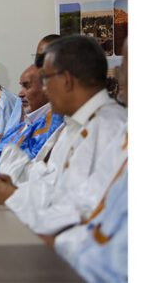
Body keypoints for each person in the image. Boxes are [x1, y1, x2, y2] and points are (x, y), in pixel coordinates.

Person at [0, 36, 127, 238]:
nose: (44, 89)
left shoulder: (110, 128)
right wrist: (15, 187)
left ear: (66, 80)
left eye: (46, 80)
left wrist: (12, 195)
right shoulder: (71, 125)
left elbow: (81, 213)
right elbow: (52, 184)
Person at [50, 39, 128, 283]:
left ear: (66, 80)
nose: (119, 74)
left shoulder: (110, 126)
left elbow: (92, 217)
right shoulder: (76, 124)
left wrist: (49, 239)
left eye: (125, 65)